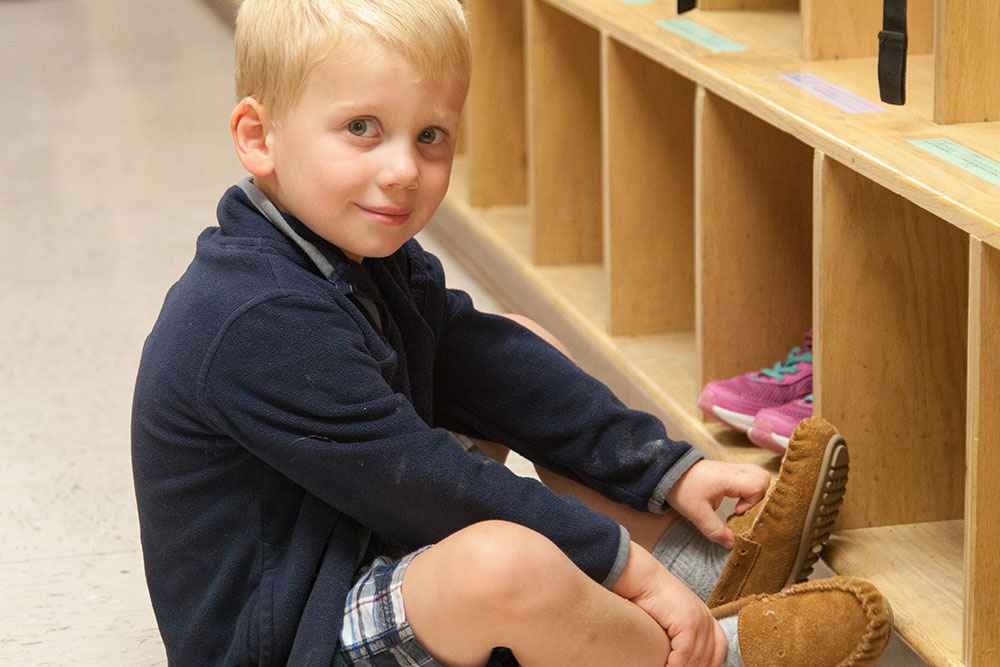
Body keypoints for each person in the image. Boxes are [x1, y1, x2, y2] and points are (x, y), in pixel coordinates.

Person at [131, 1, 891, 665]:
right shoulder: (255, 317)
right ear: (259, 137)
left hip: (354, 535)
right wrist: (620, 565)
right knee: (505, 567)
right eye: (361, 128)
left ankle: (703, 576)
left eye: (431, 135)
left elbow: (494, 371)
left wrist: (668, 469)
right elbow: (431, 483)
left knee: (518, 345)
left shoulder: (364, 255)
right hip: (292, 630)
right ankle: (705, 655)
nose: (403, 169)